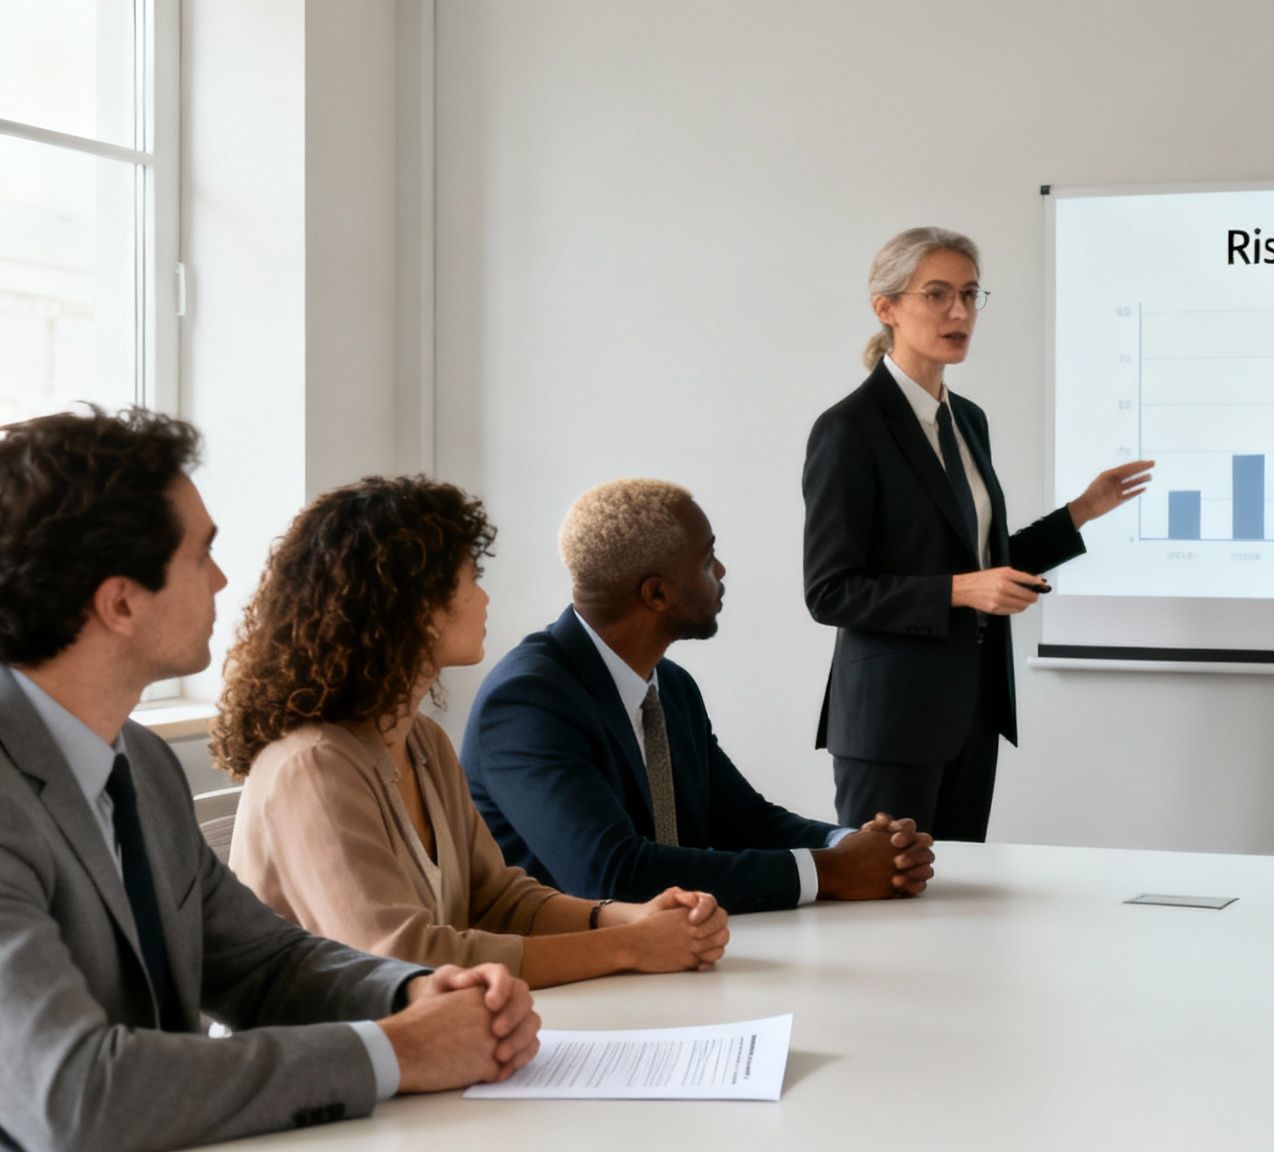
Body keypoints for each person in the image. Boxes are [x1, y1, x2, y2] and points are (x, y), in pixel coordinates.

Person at [0, 409, 539, 1151]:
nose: (223, 578)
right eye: (201, 555)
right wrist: (400, 1050)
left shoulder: (143, 765)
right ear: (120, 602)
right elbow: (75, 1094)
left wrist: (414, 993)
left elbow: (265, 964)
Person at [215, 477, 730, 988]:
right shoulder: (313, 765)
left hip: (425, 1044)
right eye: (472, 576)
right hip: (326, 1063)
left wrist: (623, 917)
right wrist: (626, 946)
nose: (484, 597)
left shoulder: (423, 740)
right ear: (416, 606)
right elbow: (402, 956)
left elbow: (499, 899)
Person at [802, 226, 1153, 839]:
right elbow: (830, 592)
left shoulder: (967, 420)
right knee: (886, 916)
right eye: (937, 294)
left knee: (957, 913)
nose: (959, 311)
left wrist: (1080, 512)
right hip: (890, 723)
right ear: (887, 308)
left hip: (970, 712)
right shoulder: (849, 430)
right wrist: (960, 592)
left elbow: (985, 562)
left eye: (969, 294)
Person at [465, 479, 935, 915]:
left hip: (673, 957)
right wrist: (830, 872)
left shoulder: (670, 685)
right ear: (656, 594)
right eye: (708, 559)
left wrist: (861, 846)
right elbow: (609, 874)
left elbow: (740, 819)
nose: (723, 570)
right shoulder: (527, 702)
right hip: (558, 985)